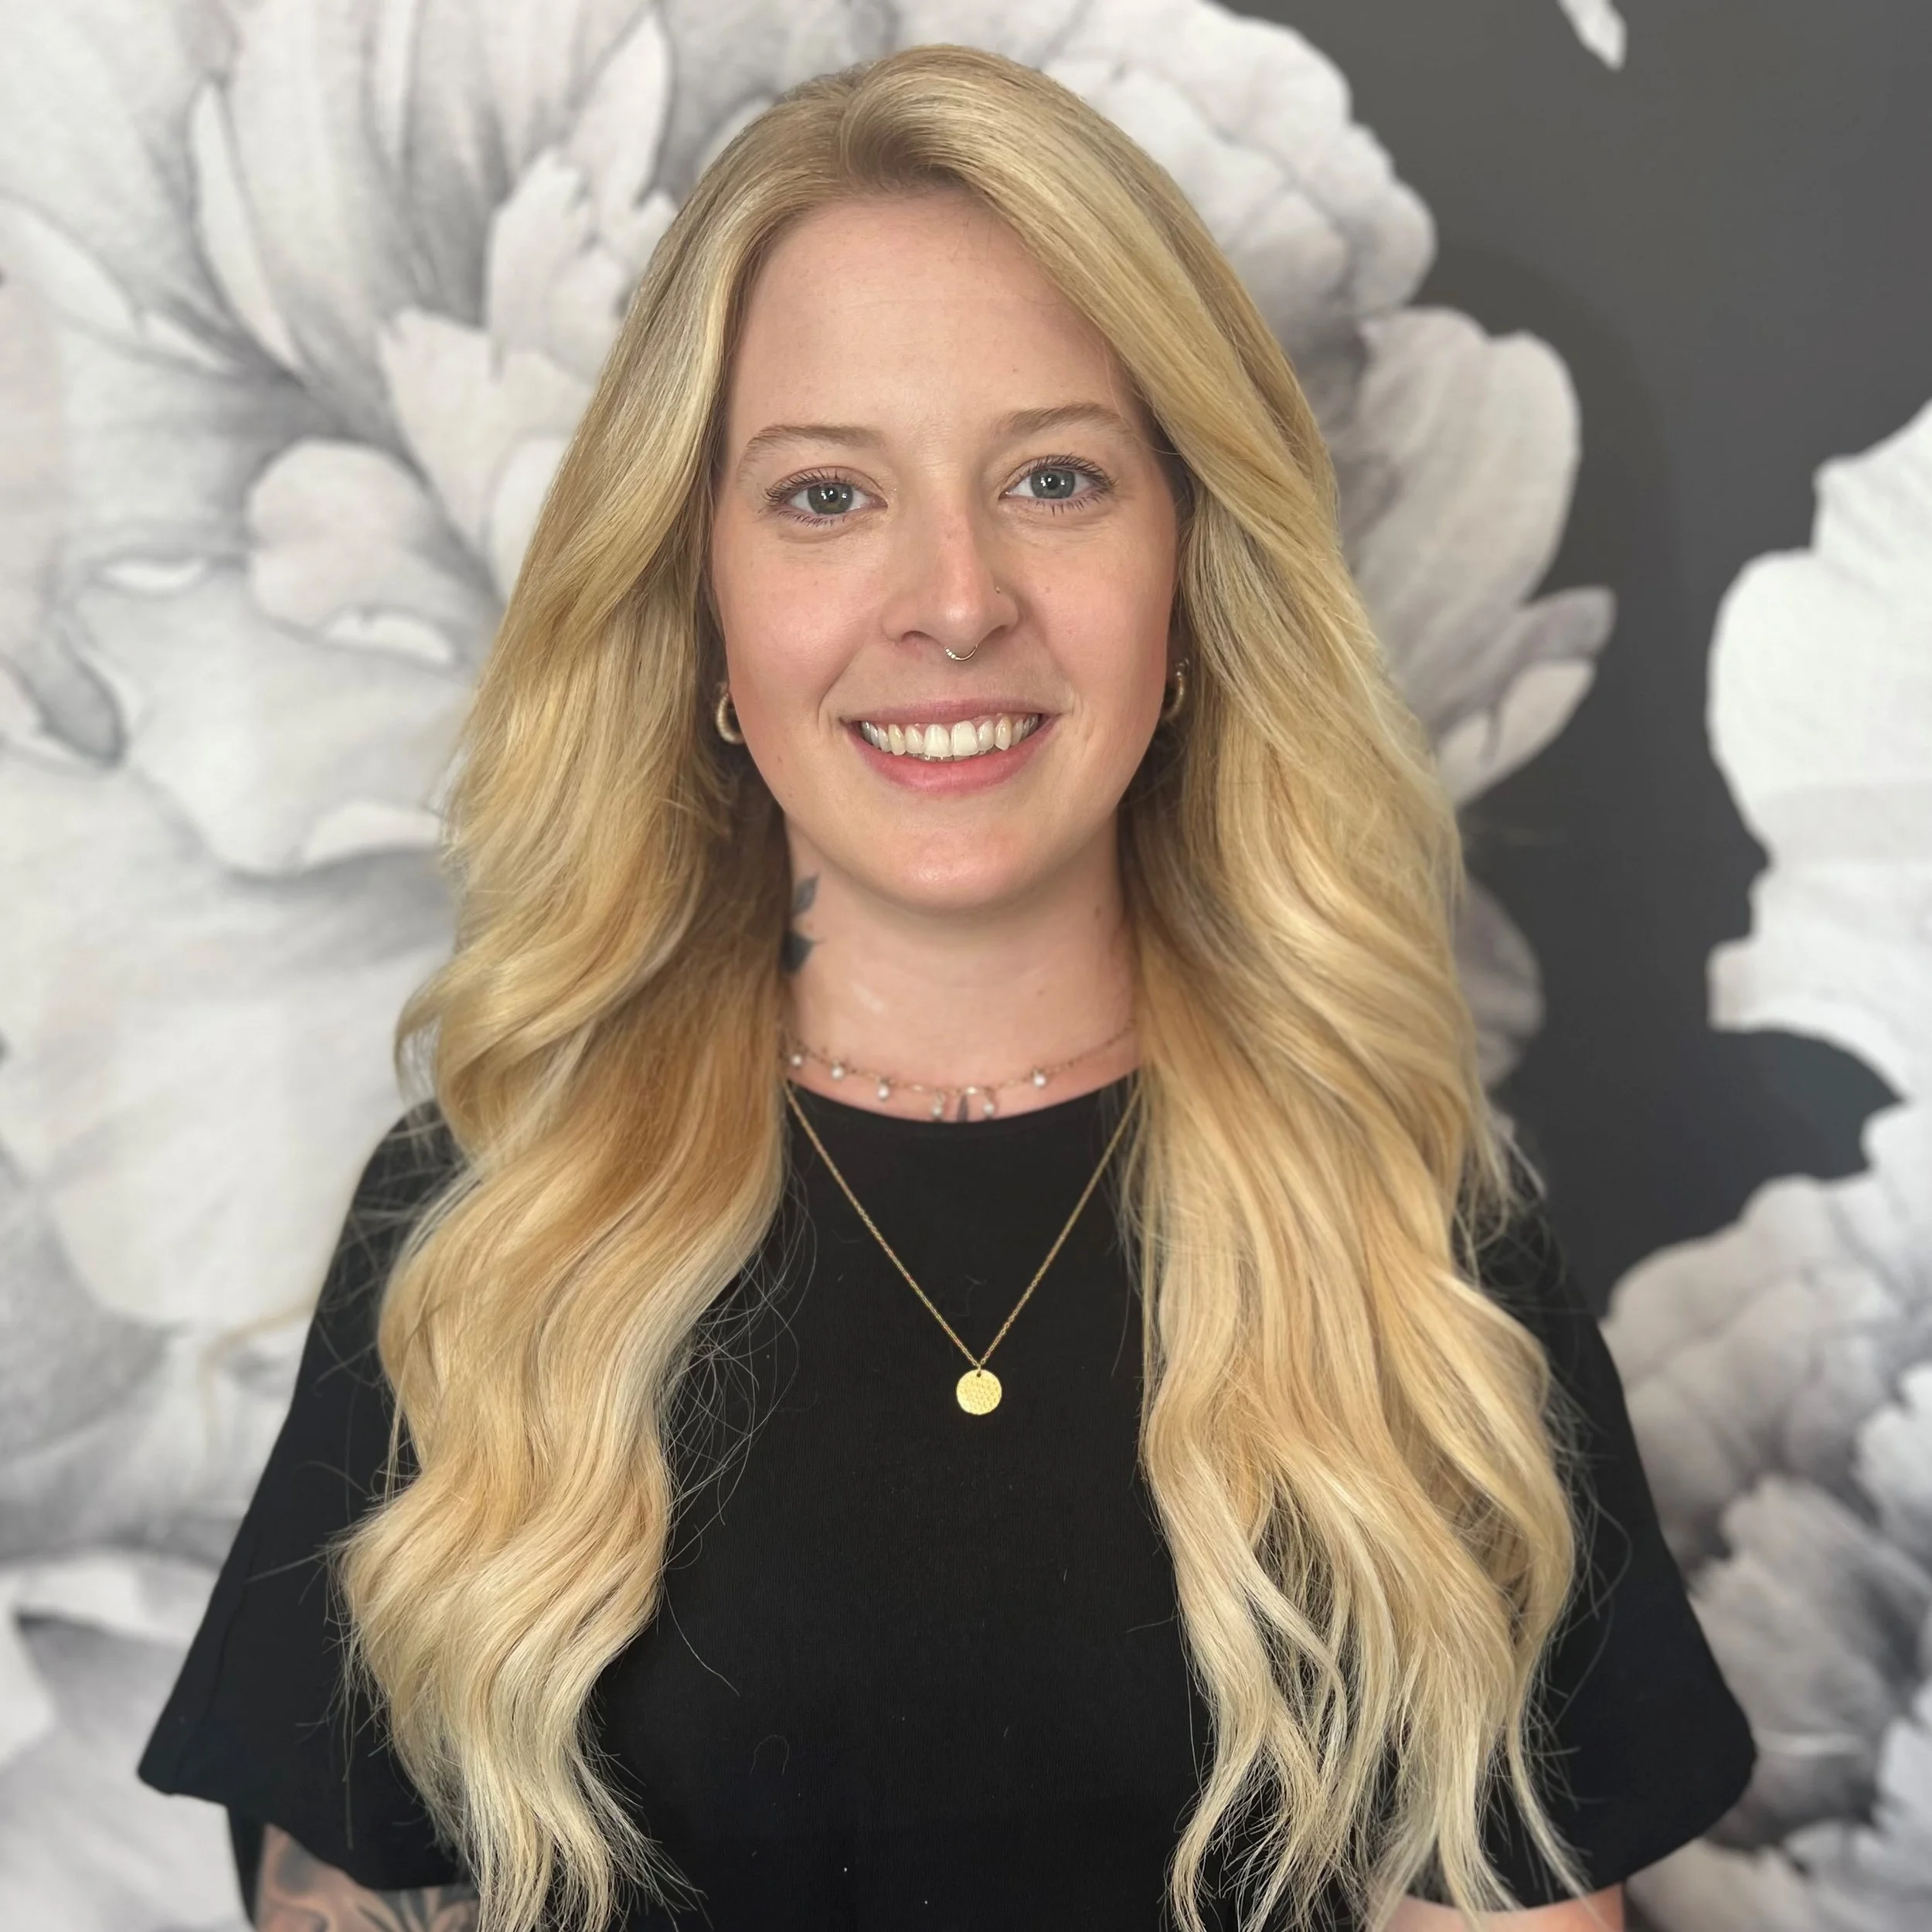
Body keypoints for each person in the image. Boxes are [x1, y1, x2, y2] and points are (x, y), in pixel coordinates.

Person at [138, 42, 1755, 1932]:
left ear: (1188, 577)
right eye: (827, 496)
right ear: (703, 609)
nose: (956, 595)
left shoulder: (1410, 1245)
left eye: (1053, 477)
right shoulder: (483, 1232)